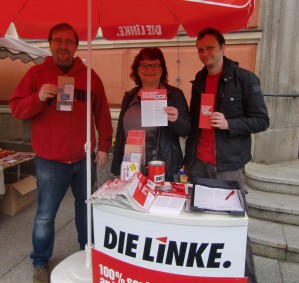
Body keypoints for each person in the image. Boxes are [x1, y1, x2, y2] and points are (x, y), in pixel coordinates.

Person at [9, 23, 113, 283]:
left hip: (84, 157)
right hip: (50, 162)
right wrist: (37, 98)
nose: (63, 46)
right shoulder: (37, 74)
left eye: (68, 41)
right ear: (50, 43)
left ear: (76, 46)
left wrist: (104, 146)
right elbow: (16, 109)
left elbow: (101, 112)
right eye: (58, 41)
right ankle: (40, 261)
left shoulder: (89, 76)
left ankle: (86, 252)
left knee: (85, 209)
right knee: (45, 215)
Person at [185, 27, 269, 283]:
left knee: (235, 226)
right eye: (200, 49)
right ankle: (209, 274)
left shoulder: (245, 79)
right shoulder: (198, 81)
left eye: (209, 47)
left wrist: (230, 123)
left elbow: (262, 120)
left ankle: (247, 278)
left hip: (228, 166)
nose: (204, 53)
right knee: (200, 223)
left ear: (223, 48)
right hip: (199, 163)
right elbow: (194, 121)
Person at [111, 47, 191, 182]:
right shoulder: (130, 96)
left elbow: (187, 129)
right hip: (132, 167)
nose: (149, 70)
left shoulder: (175, 95)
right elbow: (120, 134)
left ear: (162, 69)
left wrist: (176, 119)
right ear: (137, 69)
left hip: (163, 166)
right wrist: (117, 165)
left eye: (154, 66)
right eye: (144, 65)